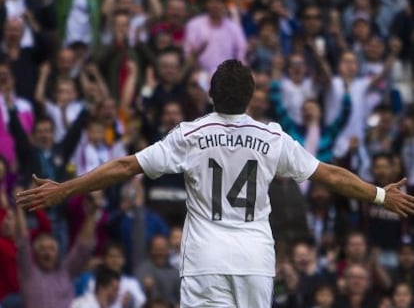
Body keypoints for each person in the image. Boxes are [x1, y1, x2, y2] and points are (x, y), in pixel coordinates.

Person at [17, 60, 414, 308]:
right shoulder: (272, 137)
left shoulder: (190, 134)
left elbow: (124, 166)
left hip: (205, 261)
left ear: (210, 93)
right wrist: (380, 193)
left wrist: (64, 188)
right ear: (252, 96)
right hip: (256, 263)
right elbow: (328, 174)